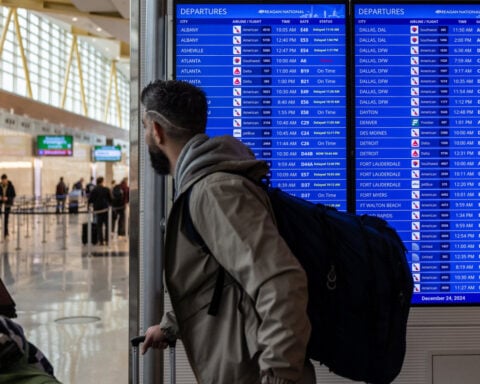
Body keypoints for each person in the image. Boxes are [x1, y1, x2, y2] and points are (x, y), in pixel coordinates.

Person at [141, 80, 314, 384]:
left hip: (252, 372)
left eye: (144, 127)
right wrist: (171, 325)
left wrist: (278, 376)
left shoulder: (215, 191)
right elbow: (219, 278)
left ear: (156, 130)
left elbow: (283, 282)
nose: (146, 136)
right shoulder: (203, 185)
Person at [87, 177, 111, 245]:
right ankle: (107, 240)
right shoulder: (106, 189)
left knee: (99, 226)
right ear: (102, 181)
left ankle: (101, 241)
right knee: (107, 225)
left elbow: (90, 200)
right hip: (106, 210)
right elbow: (111, 199)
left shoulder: (94, 190)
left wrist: (89, 208)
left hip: (97, 210)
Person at [0, 174, 16, 239]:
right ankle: (4, 231)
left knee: (6, 219)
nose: (4, 181)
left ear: (7, 179)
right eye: (2, 180)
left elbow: (13, 195)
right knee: (2, 219)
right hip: (0, 204)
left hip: (7, 204)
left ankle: (6, 233)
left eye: (5, 180)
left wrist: (8, 198)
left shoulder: (11, 186)